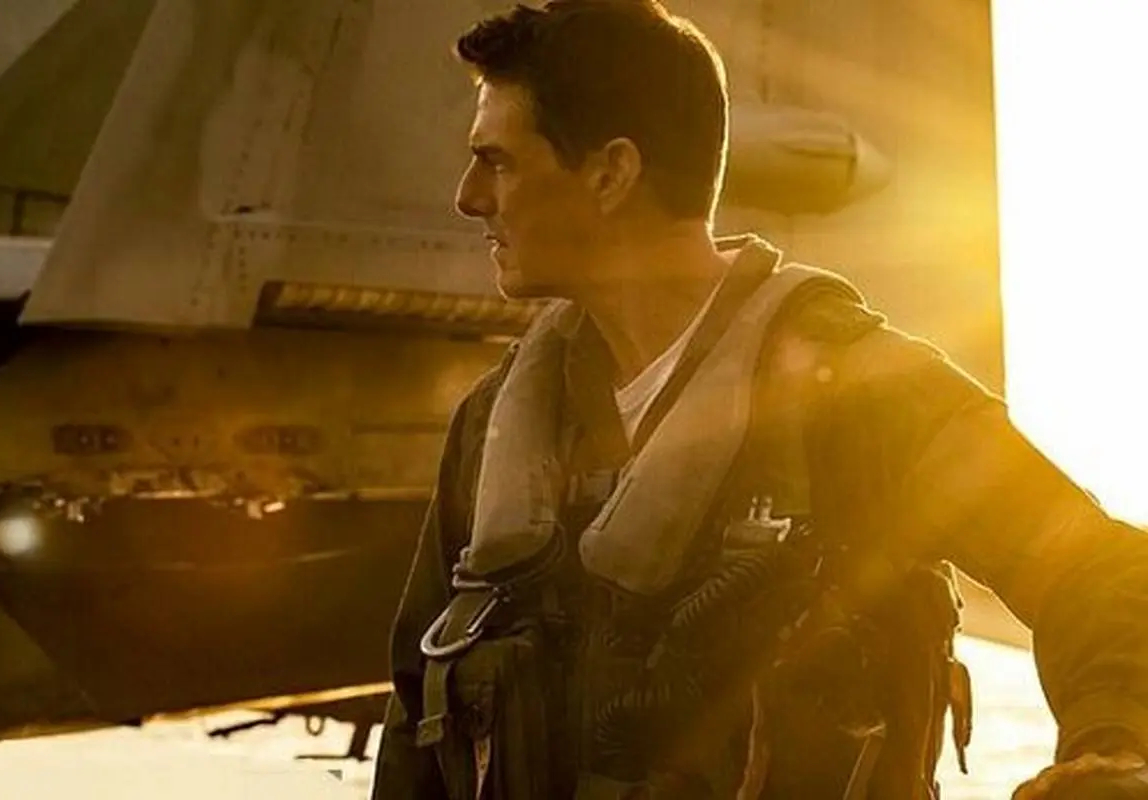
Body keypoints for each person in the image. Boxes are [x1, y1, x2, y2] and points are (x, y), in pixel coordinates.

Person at [371, 2, 1148, 798]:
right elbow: (416, 728)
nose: (469, 197)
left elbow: (1102, 570)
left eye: (497, 162)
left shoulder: (856, 393)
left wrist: (1104, 759)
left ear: (610, 174)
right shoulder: (494, 429)